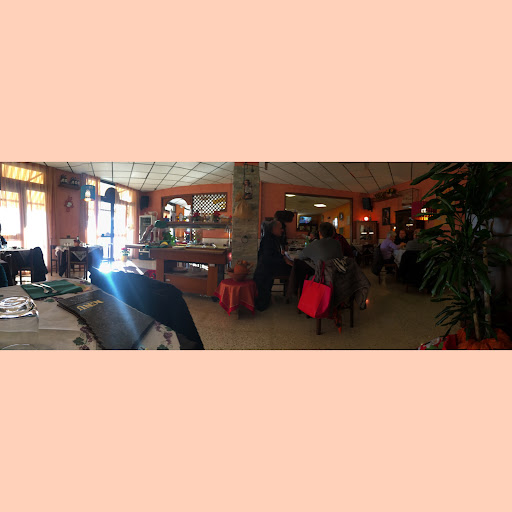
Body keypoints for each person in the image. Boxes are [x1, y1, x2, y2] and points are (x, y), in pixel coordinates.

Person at [253, 220, 292, 311]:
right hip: (265, 270)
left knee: (293, 268)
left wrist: (283, 258)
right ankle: (291, 295)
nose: (282, 230)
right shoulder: (268, 240)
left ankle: (288, 294)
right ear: (274, 229)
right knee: (294, 270)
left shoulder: (272, 238)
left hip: (269, 268)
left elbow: (273, 255)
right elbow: (268, 258)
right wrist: (284, 260)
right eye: (280, 228)